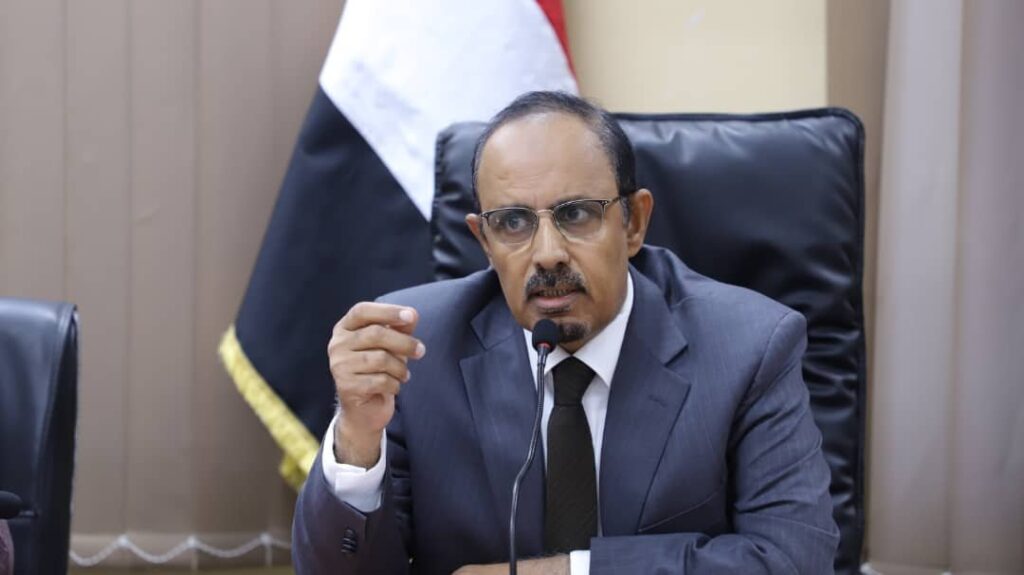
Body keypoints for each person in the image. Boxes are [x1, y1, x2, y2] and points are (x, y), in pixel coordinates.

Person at [292, 91, 839, 574]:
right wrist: (356, 437)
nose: (548, 253)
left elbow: (795, 561)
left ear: (633, 223)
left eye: (576, 214)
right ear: (484, 242)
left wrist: (568, 573)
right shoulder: (415, 348)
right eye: (513, 223)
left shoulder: (748, 346)